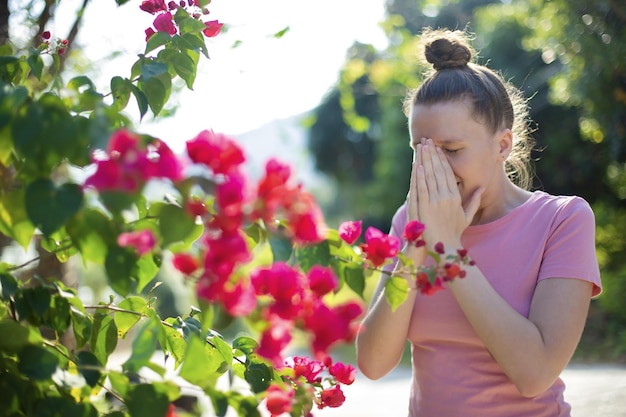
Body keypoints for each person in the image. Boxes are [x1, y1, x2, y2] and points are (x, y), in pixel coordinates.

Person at [355, 28, 602, 417]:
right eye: (421, 152)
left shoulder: (562, 220)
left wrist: (449, 248)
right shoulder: (409, 221)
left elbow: (534, 373)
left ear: (502, 145)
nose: (433, 168)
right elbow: (373, 363)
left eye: (451, 150)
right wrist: (418, 242)